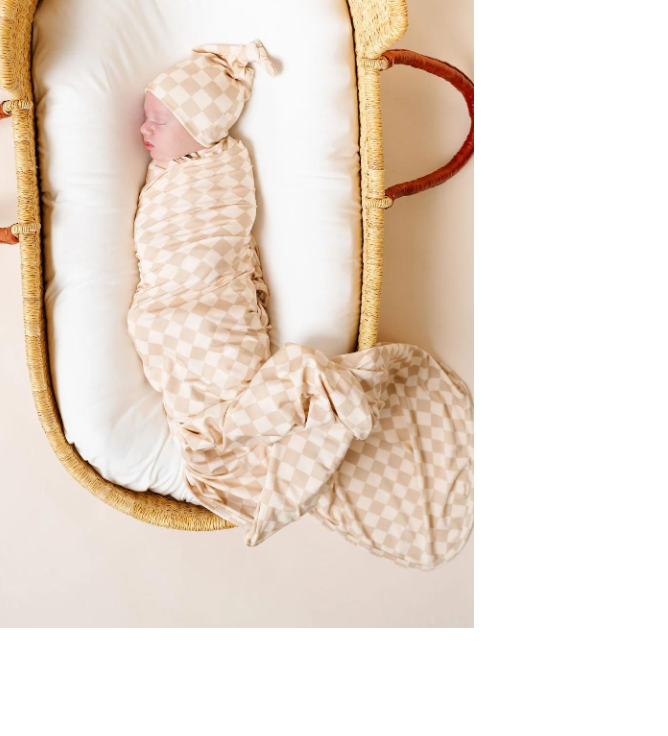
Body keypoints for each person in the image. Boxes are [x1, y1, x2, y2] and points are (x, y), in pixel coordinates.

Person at [126, 39, 473, 569]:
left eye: (159, 121)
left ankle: (250, 419)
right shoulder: (172, 173)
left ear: (200, 129)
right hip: (169, 302)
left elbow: (215, 242)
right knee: (194, 383)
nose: (143, 130)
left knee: (217, 400)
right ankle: (231, 425)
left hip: (203, 302)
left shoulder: (218, 169)